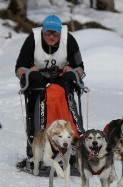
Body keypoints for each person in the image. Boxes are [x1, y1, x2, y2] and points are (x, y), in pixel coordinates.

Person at [15, 15, 85, 169]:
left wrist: (72, 70)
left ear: (61, 32)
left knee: (65, 92)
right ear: (42, 32)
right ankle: (34, 152)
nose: (51, 37)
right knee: (38, 95)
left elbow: (80, 68)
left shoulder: (69, 40)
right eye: (47, 33)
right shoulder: (33, 40)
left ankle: (74, 148)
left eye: (55, 33)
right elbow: (19, 67)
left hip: (61, 79)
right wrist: (28, 71)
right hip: (38, 80)